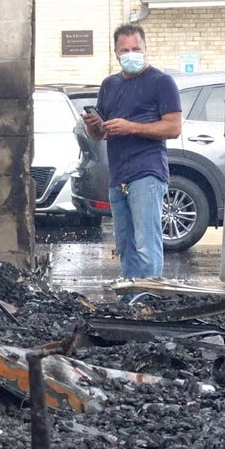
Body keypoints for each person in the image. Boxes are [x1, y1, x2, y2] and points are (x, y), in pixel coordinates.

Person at [83, 23, 183, 281]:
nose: (131, 54)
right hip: (118, 175)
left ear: (145, 48)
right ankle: (132, 301)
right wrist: (93, 126)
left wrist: (132, 127)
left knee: (146, 242)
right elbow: (100, 135)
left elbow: (173, 127)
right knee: (125, 244)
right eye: (124, 49)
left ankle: (149, 297)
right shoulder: (109, 85)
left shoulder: (161, 82)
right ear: (115, 53)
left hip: (147, 173)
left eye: (136, 48)